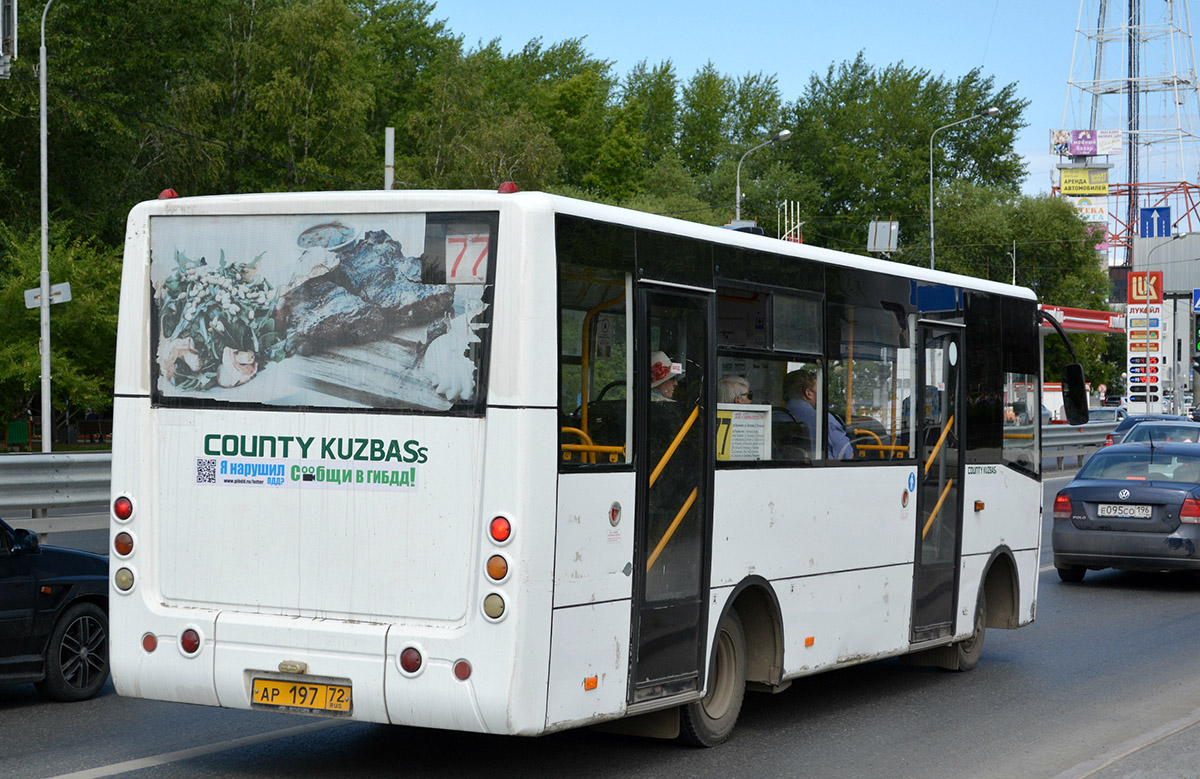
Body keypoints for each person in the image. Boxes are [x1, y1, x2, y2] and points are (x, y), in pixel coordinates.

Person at [779, 369, 854, 460]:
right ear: (808, 393)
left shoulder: (773, 416)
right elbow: (847, 455)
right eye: (819, 390)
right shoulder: (825, 420)